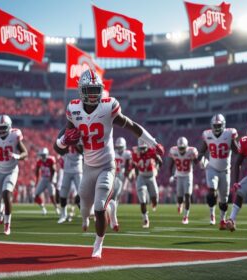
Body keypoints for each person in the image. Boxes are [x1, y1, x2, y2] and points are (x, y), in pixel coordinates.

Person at [54, 69, 164, 258]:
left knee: (99, 208)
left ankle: (98, 244)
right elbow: (58, 147)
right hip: (88, 167)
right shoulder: (73, 109)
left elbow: (132, 126)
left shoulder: (108, 107)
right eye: (89, 90)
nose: (93, 94)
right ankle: (110, 209)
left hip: (107, 165)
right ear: (81, 91)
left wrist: (153, 143)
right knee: (85, 210)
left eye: (96, 90)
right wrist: (64, 141)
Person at [0, 115, 28, 235]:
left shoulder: (15, 135)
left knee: (6, 193)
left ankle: (7, 224)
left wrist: (18, 156)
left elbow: (25, 152)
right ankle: (1, 209)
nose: (1, 130)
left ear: (9, 127)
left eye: (3, 127)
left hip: (12, 170)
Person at [197, 114, 238, 229]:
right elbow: (201, 152)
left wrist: (240, 149)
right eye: (215, 125)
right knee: (212, 192)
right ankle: (212, 214)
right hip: (212, 168)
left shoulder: (229, 134)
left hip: (225, 170)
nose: (217, 127)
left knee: (224, 200)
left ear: (223, 125)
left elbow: (237, 151)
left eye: (219, 125)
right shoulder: (207, 135)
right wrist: (201, 160)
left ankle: (222, 220)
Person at [132, 139, 163, 229]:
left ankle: (154, 202)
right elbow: (135, 166)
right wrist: (136, 176)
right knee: (142, 200)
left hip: (151, 176)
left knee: (154, 199)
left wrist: (157, 168)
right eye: (140, 148)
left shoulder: (151, 151)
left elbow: (160, 161)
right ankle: (145, 219)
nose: (142, 150)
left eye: (144, 148)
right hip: (141, 177)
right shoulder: (135, 153)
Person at [168, 137, 198, 224]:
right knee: (180, 198)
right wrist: (171, 175)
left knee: (187, 195)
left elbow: (196, 161)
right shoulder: (173, 151)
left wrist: (201, 162)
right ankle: (180, 204)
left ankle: (185, 216)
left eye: (183, 148)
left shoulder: (191, 151)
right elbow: (170, 165)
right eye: (180, 148)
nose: (181, 149)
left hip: (188, 175)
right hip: (179, 175)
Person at [57, 134, 83, 224]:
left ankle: (84, 214)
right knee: (63, 193)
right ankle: (63, 215)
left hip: (78, 170)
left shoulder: (81, 138)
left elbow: (82, 151)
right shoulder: (65, 138)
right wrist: (65, 143)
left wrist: (74, 143)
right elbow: (60, 150)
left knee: (81, 193)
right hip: (67, 169)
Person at [107, 137, 132, 230]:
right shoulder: (113, 153)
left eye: (120, 147)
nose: (119, 148)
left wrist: (127, 176)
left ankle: (111, 214)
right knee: (114, 197)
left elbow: (128, 167)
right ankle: (112, 215)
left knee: (116, 197)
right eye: (118, 147)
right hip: (114, 176)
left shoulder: (127, 154)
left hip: (121, 177)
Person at [34, 147, 59, 215]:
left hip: (50, 178)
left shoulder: (51, 159)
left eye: (43, 155)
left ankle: (56, 208)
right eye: (41, 155)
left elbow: (53, 170)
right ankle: (43, 208)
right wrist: (37, 180)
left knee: (52, 195)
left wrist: (52, 179)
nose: (42, 156)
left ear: (46, 154)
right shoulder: (39, 161)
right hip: (43, 178)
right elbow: (37, 171)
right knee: (36, 195)